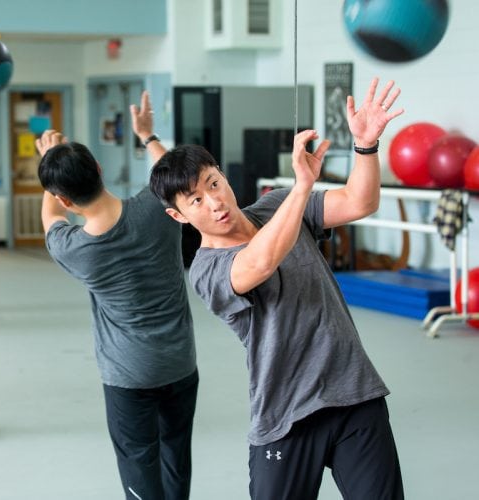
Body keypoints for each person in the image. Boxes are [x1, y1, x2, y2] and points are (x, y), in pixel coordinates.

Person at [149, 78, 405, 499]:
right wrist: (302, 188)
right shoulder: (207, 270)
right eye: (195, 200)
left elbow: (360, 202)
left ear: (224, 177)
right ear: (178, 216)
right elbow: (260, 261)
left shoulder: (276, 206)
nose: (214, 202)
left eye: (213, 183)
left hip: (354, 393)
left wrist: (366, 146)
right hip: (287, 412)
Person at [35, 91, 198, 500]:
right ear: (99, 169)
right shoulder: (157, 207)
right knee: (175, 455)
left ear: (65, 199)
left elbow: (50, 217)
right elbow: (171, 171)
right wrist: (147, 135)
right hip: (180, 363)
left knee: (138, 461)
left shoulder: (74, 249)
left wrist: (50, 162)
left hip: (129, 376)